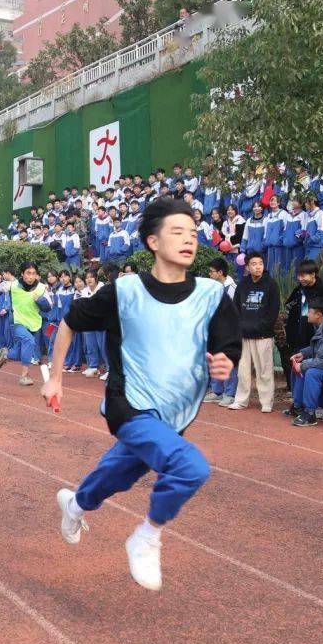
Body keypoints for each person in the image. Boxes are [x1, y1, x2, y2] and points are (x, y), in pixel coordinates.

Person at [44, 199, 241, 591]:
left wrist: (225, 363)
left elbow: (227, 347)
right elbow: (68, 323)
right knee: (191, 468)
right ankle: (147, 535)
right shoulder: (125, 292)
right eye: (177, 232)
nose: (189, 240)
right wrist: (55, 379)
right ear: (152, 241)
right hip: (129, 404)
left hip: (176, 414)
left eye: (193, 233)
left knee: (119, 472)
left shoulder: (212, 295)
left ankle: (76, 504)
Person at [229, 252, 279, 412]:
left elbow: (273, 311)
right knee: (243, 371)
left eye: (260, 264)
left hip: (263, 335)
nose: (258, 267)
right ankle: (241, 400)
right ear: (247, 267)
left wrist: (261, 326)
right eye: (254, 264)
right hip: (243, 335)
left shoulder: (271, 284)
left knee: (264, 370)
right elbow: (235, 307)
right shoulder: (243, 284)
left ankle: (266, 402)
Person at [280, 260, 323, 391]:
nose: (301, 279)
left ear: (313, 274)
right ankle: (296, 403)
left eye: (304, 275)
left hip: (315, 338)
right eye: (299, 275)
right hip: (297, 336)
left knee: (310, 373)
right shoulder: (299, 290)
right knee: (296, 370)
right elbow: (290, 308)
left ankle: (311, 406)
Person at [286, 298, 323, 426]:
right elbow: (317, 348)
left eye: (309, 311)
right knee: (298, 366)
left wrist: (304, 364)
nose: (307, 314)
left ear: (318, 315)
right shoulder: (320, 325)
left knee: (311, 372)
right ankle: (298, 406)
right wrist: (303, 354)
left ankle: (310, 413)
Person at [0, 262, 51, 386]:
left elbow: (48, 308)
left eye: (33, 274)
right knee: (30, 341)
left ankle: (6, 354)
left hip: (33, 323)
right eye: (28, 273)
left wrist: (40, 300)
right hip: (17, 321)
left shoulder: (42, 288)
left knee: (20, 353)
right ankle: (24, 376)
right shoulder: (12, 285)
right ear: (22, 274)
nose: (31, 276)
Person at [204, 258, 238, 406]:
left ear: (220, 272)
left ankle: (230, 393)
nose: (210, 274)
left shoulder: (232, 288)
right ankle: (217, 391)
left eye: (212, 272)